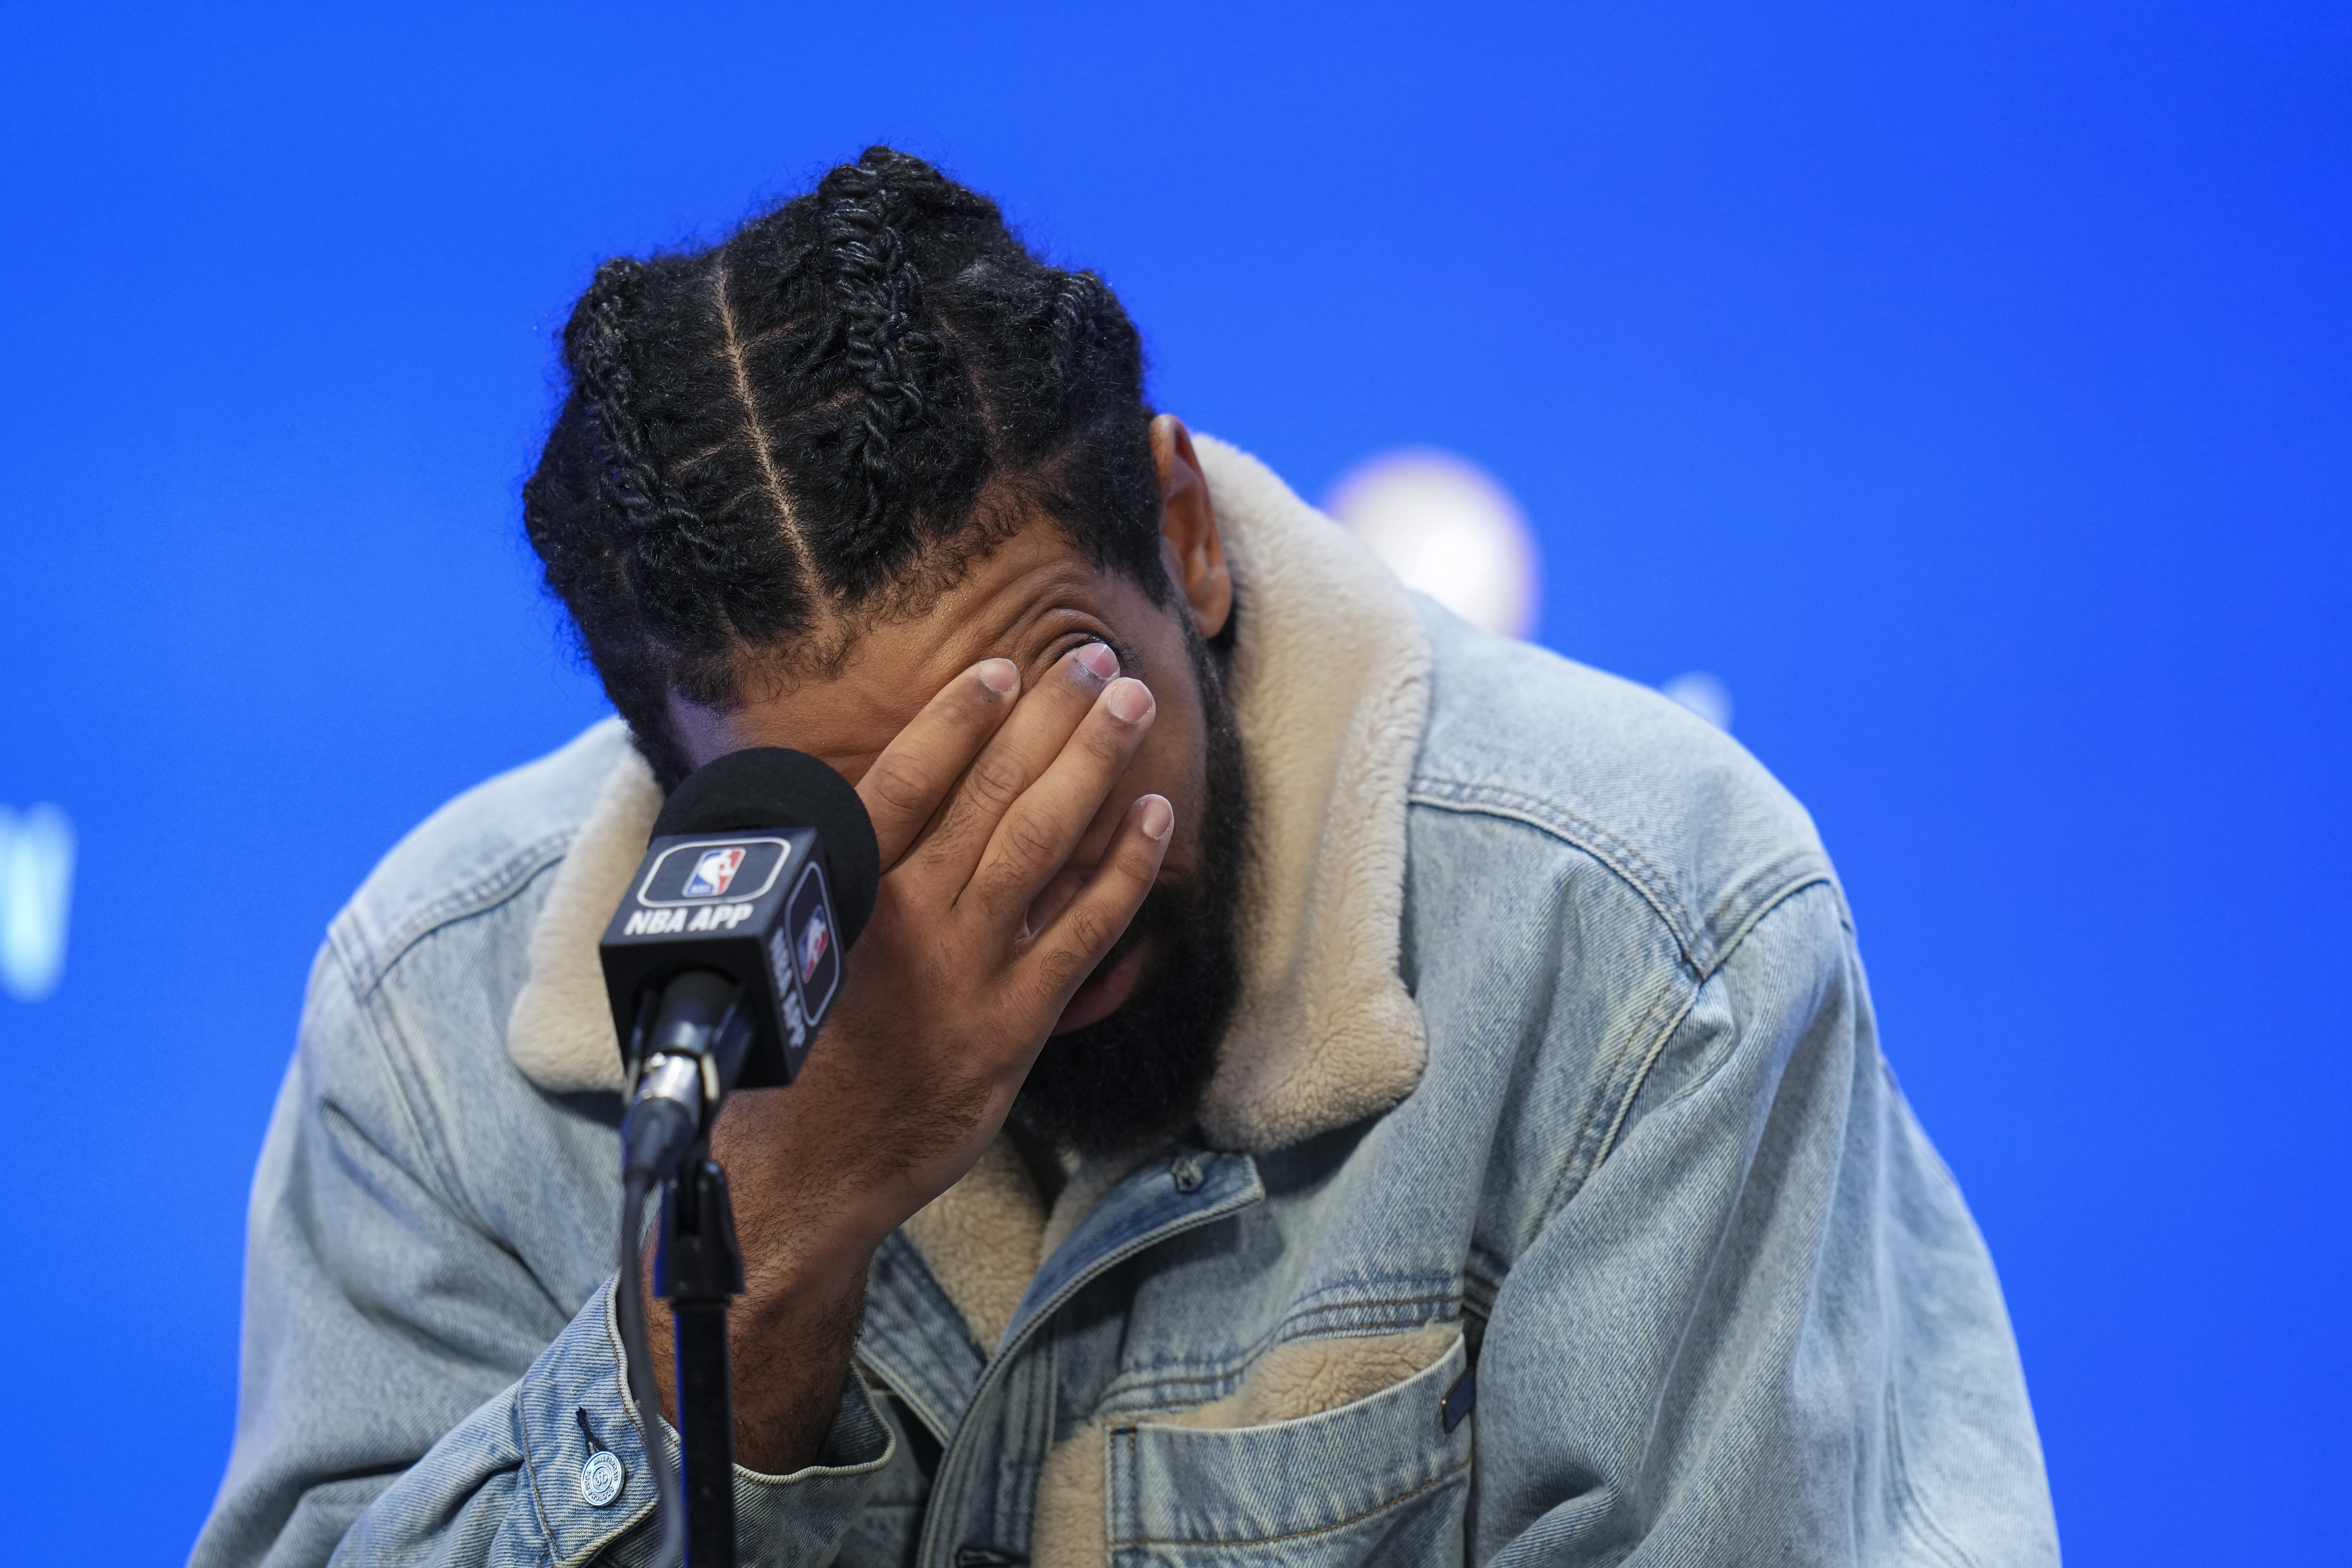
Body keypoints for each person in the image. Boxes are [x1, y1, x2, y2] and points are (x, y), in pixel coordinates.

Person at [191, 148, 2057, 1568]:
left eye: (1062, 704)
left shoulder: (1636, 923)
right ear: (667, 780)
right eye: (871, 815)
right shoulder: (436, 1013)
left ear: (1183, 534)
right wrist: (742, 1297)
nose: (1013, 850)